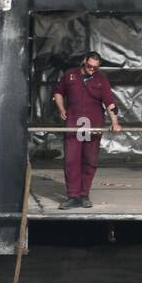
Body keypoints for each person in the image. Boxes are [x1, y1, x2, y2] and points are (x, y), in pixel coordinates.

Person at [52, 51, 121, 209]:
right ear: (84, 61)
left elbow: (110, 103)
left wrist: (115, 122)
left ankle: (84, 195)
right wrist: (61, 108)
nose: (92, 69)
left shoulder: (101, 79)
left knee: (90, 160)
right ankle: (73, 196)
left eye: (95, 67)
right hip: (74, 124)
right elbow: (58, 92)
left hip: (93, 125)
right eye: (89, 66)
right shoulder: (70, 75)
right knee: (71, 160)